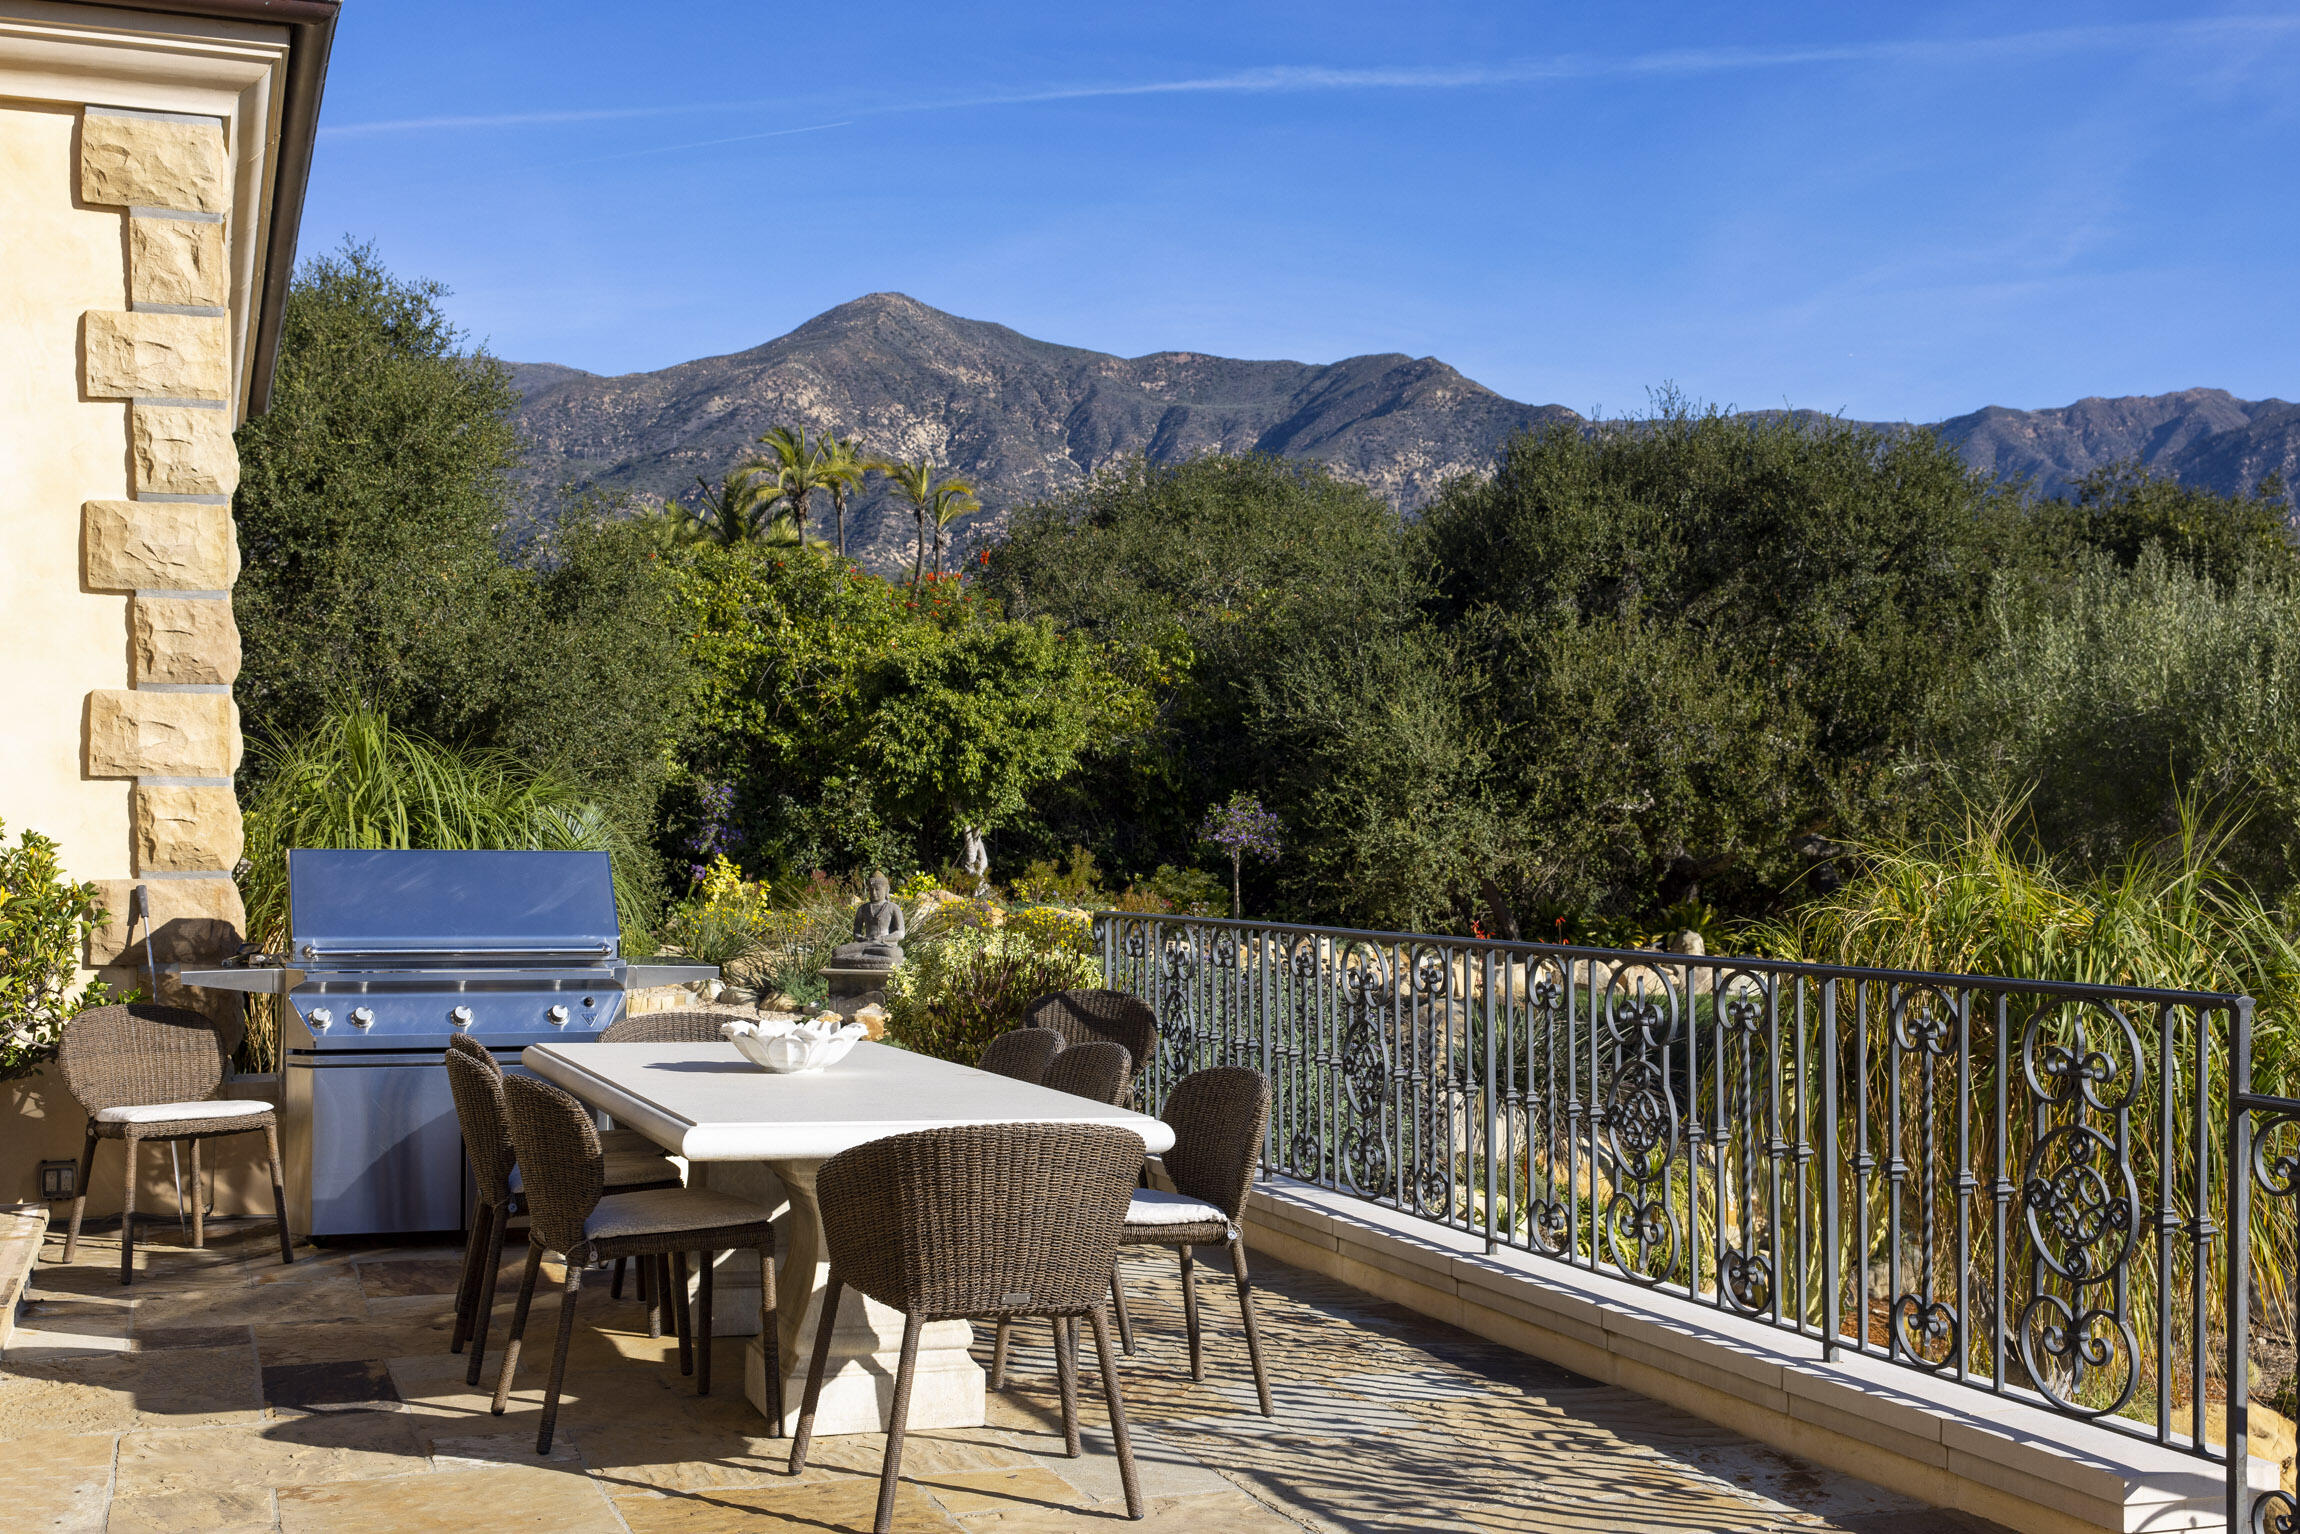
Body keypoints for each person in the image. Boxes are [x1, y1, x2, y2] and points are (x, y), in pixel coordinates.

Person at [832, 872, 906, 968]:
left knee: (892, 953)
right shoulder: (863, 908)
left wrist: (883, 939)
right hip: (866, 943)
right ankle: (866, 954)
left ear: (886, 890)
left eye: (877, 890)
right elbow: (856, 932)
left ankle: (865, 954)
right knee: (837, 951)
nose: (874, 893)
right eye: (871, 890)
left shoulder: (893, 907)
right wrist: (861, 938)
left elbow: (900, 933)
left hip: (884, 945)